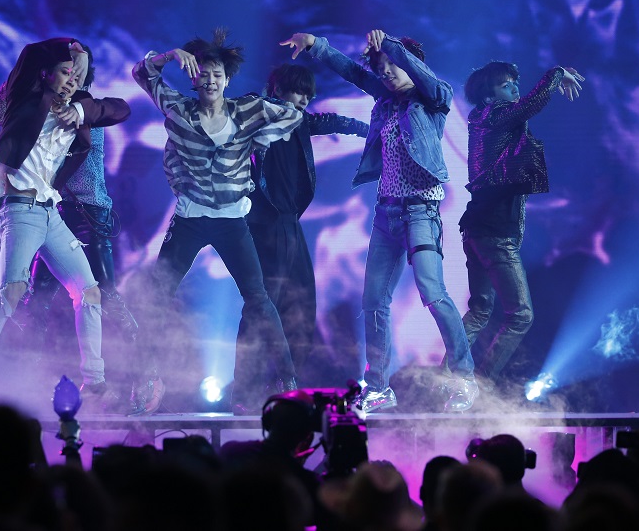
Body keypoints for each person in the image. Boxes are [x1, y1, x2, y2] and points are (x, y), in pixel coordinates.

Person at [281, 30, 477, 413]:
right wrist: (316, 45)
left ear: (410, 64)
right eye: (382, 68)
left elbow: (426, 79)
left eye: (393, 66)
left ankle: (464, 377)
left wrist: (389, 46)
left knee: (433, 293)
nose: (386, 73)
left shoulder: (433, 99)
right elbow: (354, 72)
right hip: (386, 214)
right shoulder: (385, 100)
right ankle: (379, 388)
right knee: (373, 302)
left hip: (421, 212)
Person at [131, 28, 303, 414]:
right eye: (204, 74)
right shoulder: (178, 109)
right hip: (190, 218)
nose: (210, 80)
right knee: (157, 295)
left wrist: (262, 138)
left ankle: (286, 379)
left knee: (258, 298)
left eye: (217, 75)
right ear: (194, 79)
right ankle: (147, 378)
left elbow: (292, 116)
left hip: (231, 219)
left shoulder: (247, 109)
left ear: (227, 80)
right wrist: (169, 55)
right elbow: (142, 73)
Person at [0, 46, 161, 415]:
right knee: (26, 297)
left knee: (99, 294)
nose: (71, 76)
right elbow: (1, 109)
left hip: (83, 213)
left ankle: (135, 374)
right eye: (66, 69)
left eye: (77, 72)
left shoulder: (83, 109)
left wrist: (78, 105)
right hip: (42, 209)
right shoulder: (33, 102)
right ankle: (14, 378)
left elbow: (118, 108)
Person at [459, 62, 583, 387]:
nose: (515, 87)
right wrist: (557, 73)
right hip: (495, 231)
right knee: (521, 315)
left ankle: (447, 379)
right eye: (505, 85)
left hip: (478, 228)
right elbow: (532, 103)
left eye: (515, 81)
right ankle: (479, 385)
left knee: (480, 310)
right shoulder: (496, 116)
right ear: (489, 96)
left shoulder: (484, 121)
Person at [248, 63, 369, 381]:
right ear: (277, 90)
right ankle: (248, 384)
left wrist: (369, 130)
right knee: (265, 303)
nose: (304, 100)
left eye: (308, 95)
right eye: (298, 92)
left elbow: (332, 121)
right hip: (266, 224)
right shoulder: (257, 114)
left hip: (290, 224)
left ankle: (285, 379)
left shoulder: (300, 123)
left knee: (301, 301)